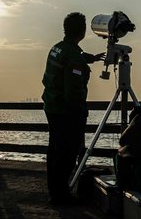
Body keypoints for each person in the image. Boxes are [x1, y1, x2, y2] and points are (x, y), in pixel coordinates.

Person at [41, 12, 104, 205]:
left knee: (54, 150)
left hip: (51, 106)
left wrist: (88, 58)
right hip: (66, 112)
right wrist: (79, 111)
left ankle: (54, 190)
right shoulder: (74, 58)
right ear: (82, 32)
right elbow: (73, 90)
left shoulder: (57, 48)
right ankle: (61, 195)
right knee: (67, 154)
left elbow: (71, 56)